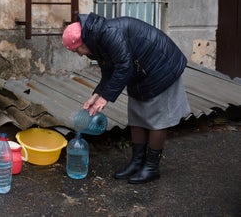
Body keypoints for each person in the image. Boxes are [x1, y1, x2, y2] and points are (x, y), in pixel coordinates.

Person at [62, 12, 191, 184]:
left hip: (161, 65)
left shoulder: (109, 33)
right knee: (137, 116)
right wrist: (97, 94)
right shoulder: (96, 41)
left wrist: (105, 98)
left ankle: (152, 167)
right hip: (139, 70)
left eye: (77, 50)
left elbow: (123, 66)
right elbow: (109, 70)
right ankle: (137, 162)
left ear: (83, 41)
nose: (79, 54)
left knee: (157, 120)